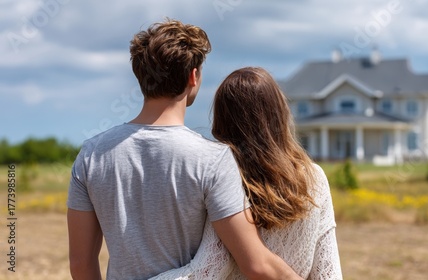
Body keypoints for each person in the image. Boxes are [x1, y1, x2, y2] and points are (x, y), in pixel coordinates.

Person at [66, 19, 303, 280]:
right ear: (193, 75)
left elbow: (81, 264)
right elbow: (256, 264)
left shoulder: (91, 155)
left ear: (140, 76)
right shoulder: (212, 159)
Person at [150, 67, 343, 279]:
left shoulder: (226, 178)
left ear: (223, 121)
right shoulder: (315, 177)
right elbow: (328, 271)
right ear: (279, 114)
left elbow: (208, 270)